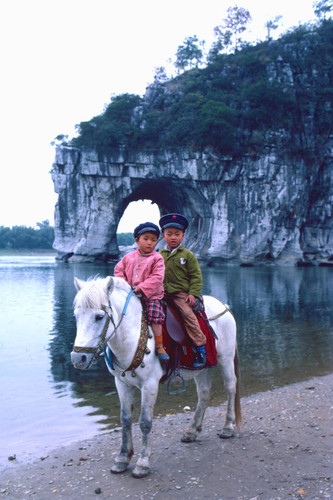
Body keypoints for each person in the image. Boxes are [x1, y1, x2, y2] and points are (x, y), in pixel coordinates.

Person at [114, 222, 169, 362]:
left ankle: (159, 345)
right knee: (116, 313)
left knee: (155, 314)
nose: (150, 243)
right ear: (137, 240)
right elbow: (118, 271)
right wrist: (125, 286)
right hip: (130, 295)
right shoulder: (128, 257)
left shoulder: (157, 258)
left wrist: (142, 288)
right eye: (146, 239)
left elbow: (157, 277)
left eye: (153, 239)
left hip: (151, 295)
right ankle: (112, 345)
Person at [159, 213, 207, 369]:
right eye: (169, 234)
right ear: (163, 236)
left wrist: (193, 294)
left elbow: (196, 276)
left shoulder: (188, 255)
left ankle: (200, 348)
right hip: (161, 293)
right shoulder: (159, 255)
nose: (173, 237)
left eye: (177, 234)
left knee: (188, 316)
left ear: (183, 236)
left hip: (180, 294)